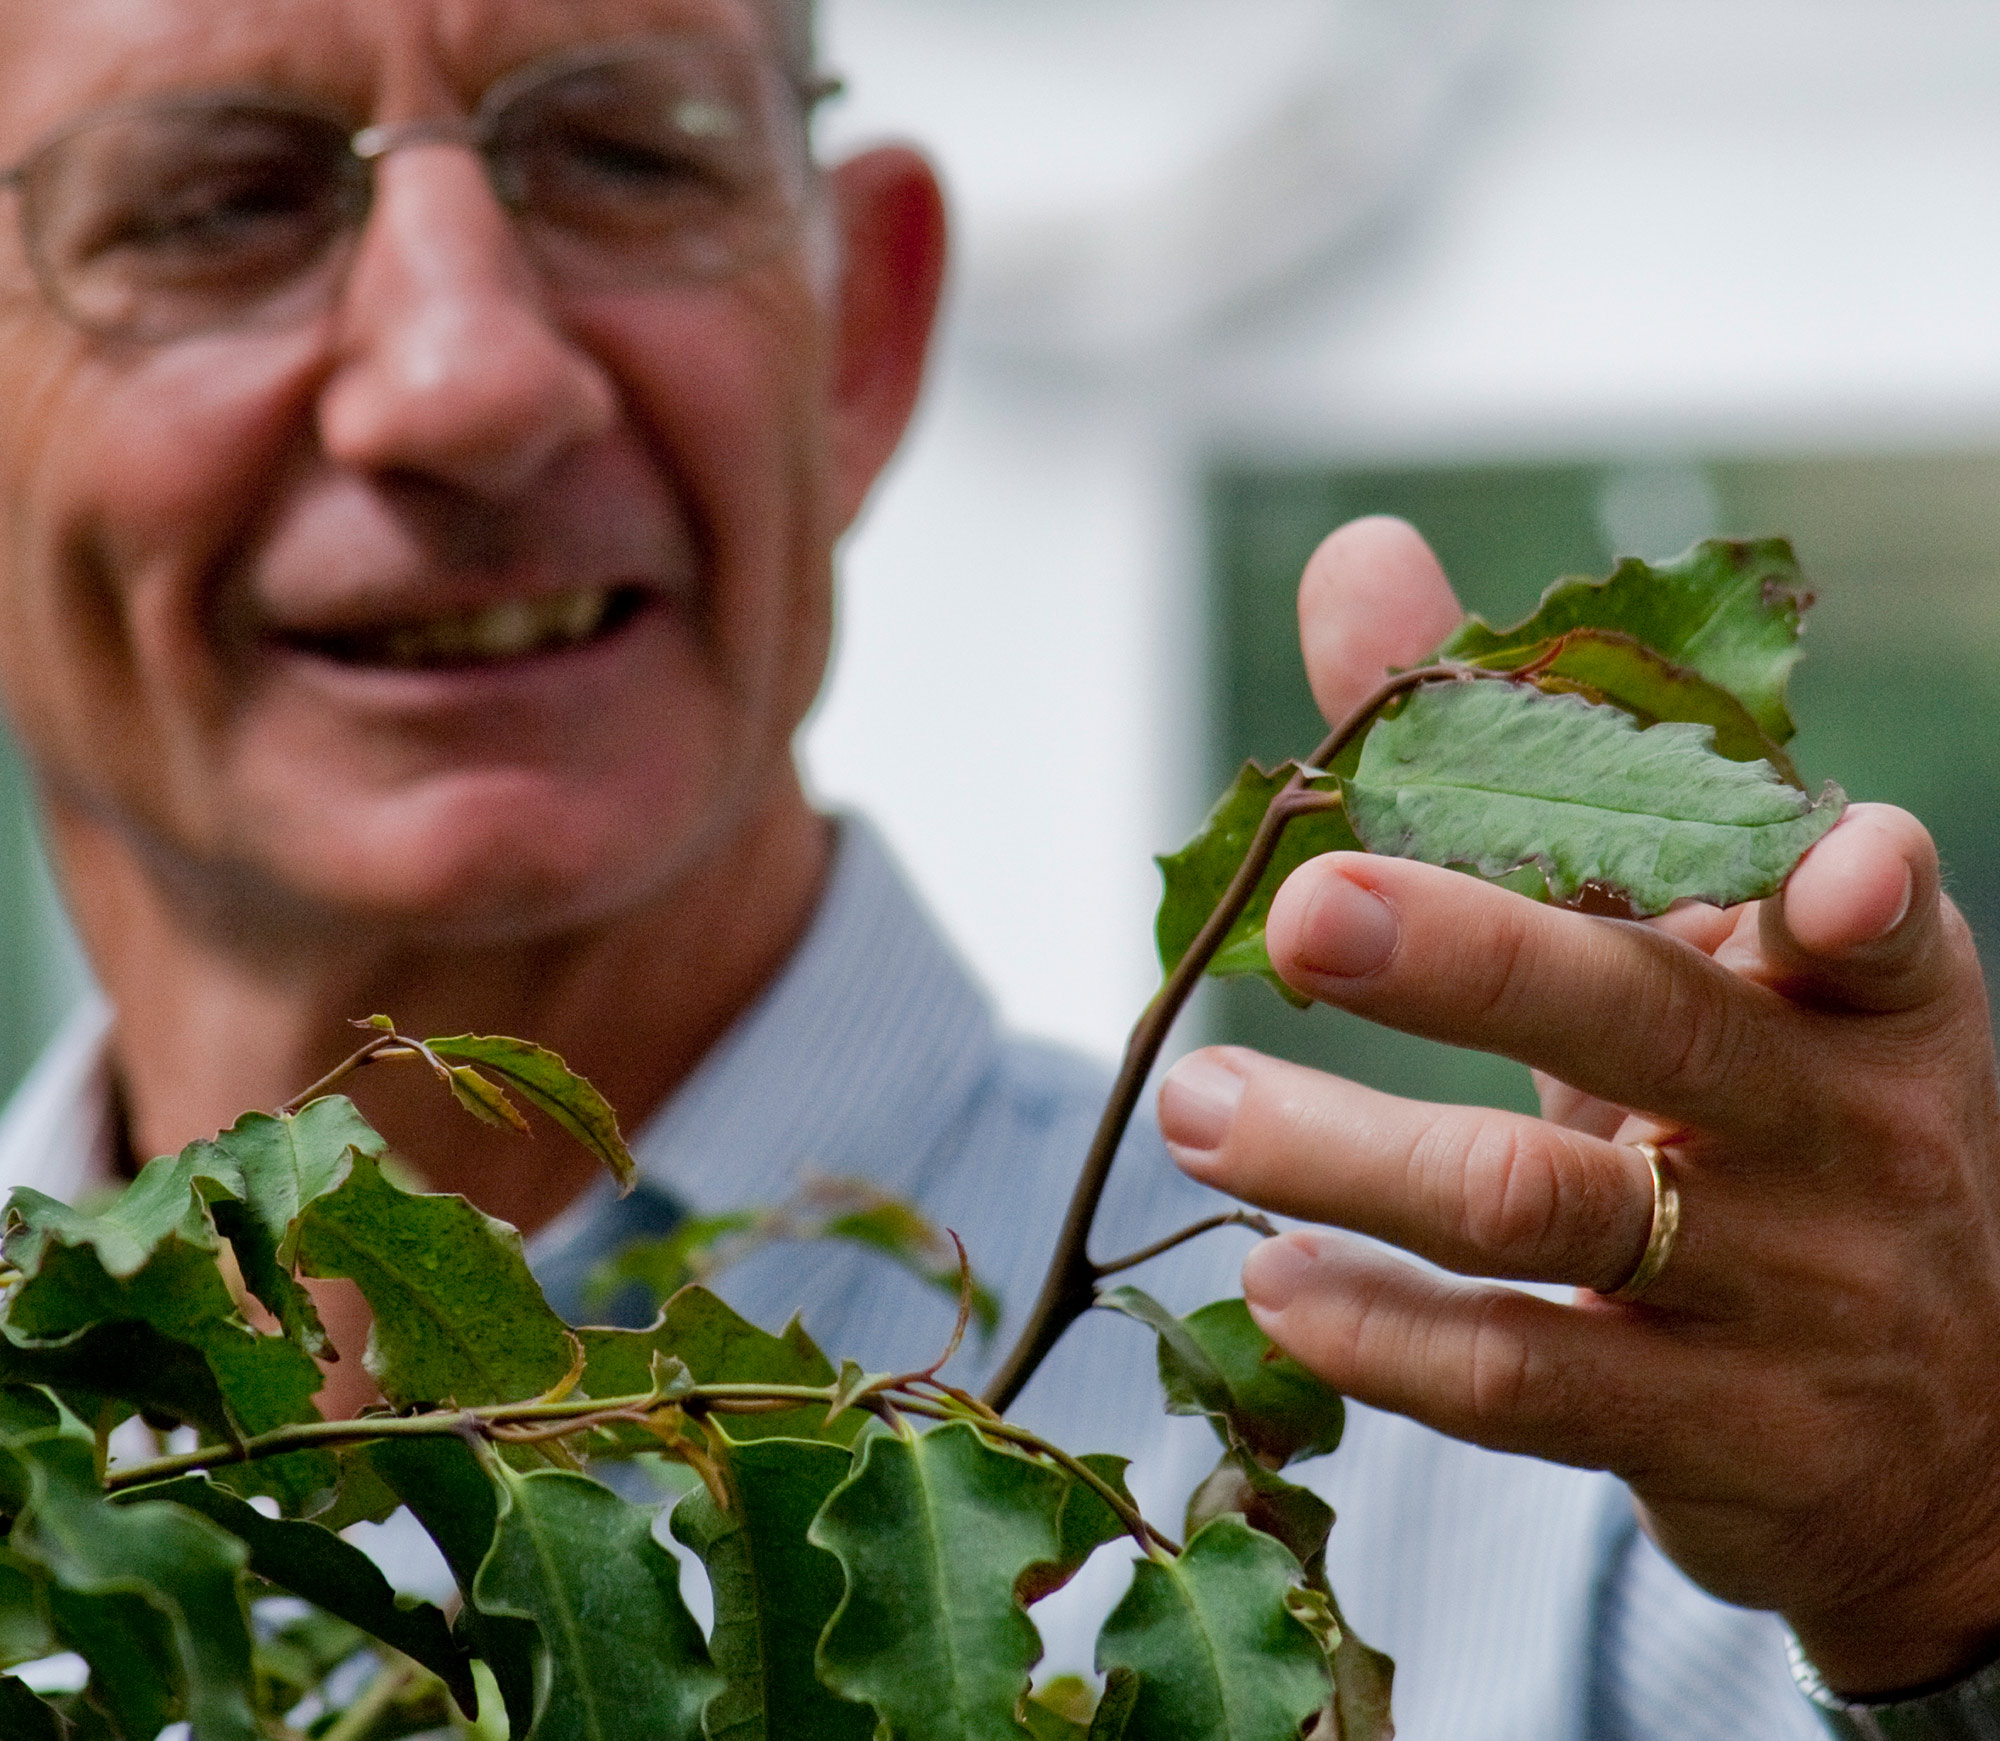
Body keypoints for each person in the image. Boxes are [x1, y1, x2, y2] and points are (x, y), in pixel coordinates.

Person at [0, 0, 1993, 1736]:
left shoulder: (1598, 1477)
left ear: (863, 334)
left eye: (618, 155)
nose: (470, 380)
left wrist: (1941, 1569)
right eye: (215, 205)